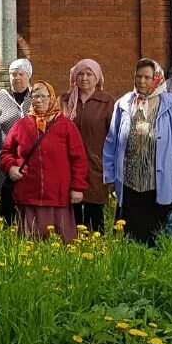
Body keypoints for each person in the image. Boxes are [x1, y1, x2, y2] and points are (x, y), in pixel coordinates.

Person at [102, 59, 172, 246]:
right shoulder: (124, 103)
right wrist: (109, 174)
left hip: (159, 181)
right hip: (130, 181)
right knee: (130, 233)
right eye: (139, 76)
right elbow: (112, 141)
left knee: (156, 234)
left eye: (147, 77)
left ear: (157, 78)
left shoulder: (171, 104)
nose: (142, 81)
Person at [0, 81, 89, 243]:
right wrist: (11, 166)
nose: (39, 100)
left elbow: (79, 159)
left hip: (58, 195)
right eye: (35, 96)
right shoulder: (22, 125)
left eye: (43, 96)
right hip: (29, 193)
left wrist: (77, 187)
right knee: (30, 244)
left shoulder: (66, 125)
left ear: (52, 98)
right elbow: (6, 152)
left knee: (61, 244)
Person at [61, 58, 115, 233]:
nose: (84, 78)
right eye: (80, 74)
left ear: (97, 77)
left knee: (94, 213)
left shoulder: (107, 102)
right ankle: (71, 250)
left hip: (96, 165)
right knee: (71, 211)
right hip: (68, 164)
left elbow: (114, 136)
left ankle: (95, 252)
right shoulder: (65, 100)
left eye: (89, 74)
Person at [0, 59, 32, 226]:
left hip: (30, 157)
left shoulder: (35, 97)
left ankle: (28, 227)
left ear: (28, 76)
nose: (17, 77)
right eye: (13, 74)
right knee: (7, 193)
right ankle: (7, 227)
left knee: (29, 193)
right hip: (5, 157)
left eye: (21, 74)